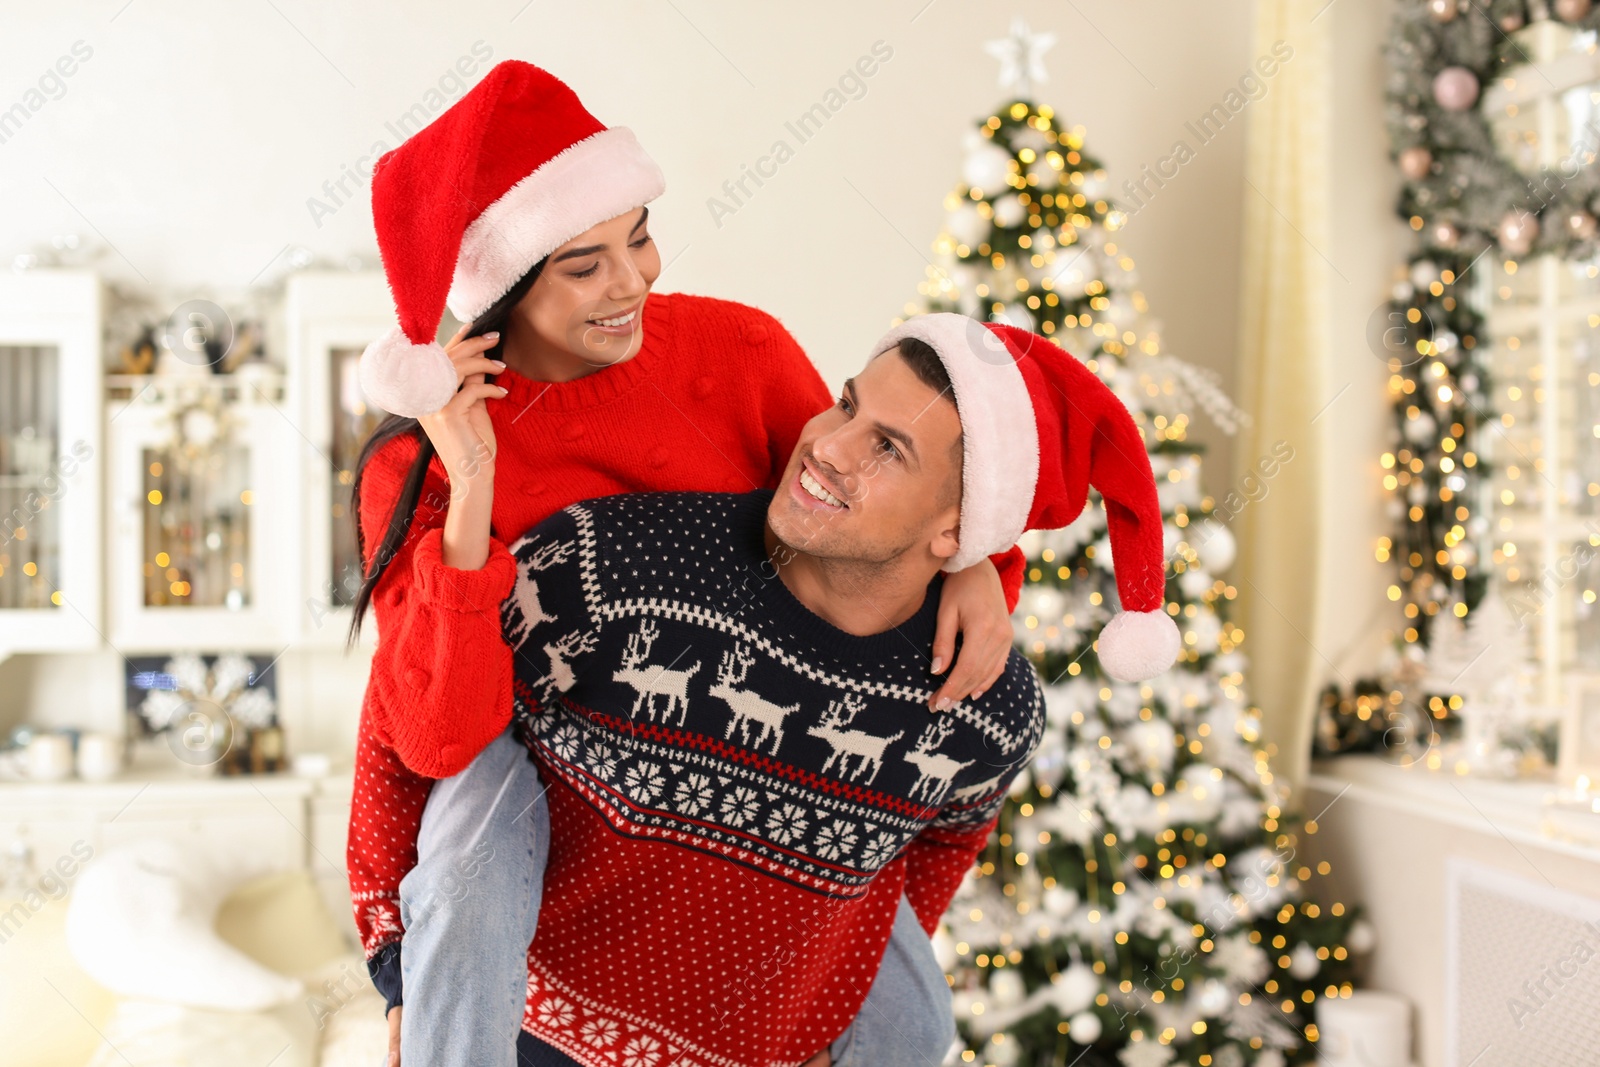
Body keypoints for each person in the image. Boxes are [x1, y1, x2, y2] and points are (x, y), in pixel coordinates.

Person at [342, 61, 1029, 1067]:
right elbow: (439, 735)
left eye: (641, 236)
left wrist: (974, 559)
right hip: (543, 760)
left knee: (914, 1023)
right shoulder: (417, 465)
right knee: (475, 847)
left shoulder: (737, 354)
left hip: (750, 766)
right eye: (584, 265)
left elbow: (876, 491)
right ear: (504, 283)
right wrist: (474, 486)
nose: (634, 282)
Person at [414, 312, 1181, 1067]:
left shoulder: (987, 709)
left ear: (955, 533)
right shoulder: (606, 563)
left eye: (888, 448)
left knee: (924, 1025)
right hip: (526, 1034)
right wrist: (393, 967)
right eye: (847, 403)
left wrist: (841, 998)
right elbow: (425, 731)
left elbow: (947, 836)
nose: (828, 444)